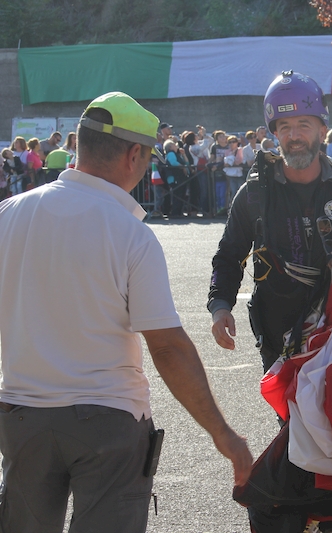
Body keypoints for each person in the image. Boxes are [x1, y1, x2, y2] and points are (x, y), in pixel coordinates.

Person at [0, 91, 252, 532]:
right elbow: (168, 348)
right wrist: (224, 436)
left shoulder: (9, 214)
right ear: (134, 154)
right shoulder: (130, 234)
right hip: (107, 420)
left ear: (78, 143)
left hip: (22, 416)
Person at [209, 69, 332, 375]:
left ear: (322, 129)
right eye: (285, 127)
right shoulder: (254, 194)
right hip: (279, 337)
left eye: (304, 125)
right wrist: (220, 306)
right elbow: (229, 256)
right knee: (291, 422)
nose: (294, 136)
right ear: (274, 133)